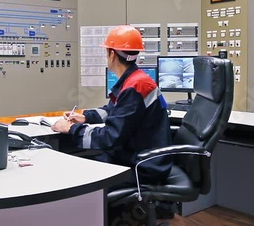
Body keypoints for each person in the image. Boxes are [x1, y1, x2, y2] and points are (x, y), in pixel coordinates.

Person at [52, 24, 172, 188]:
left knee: (73, 172)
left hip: (140, 166)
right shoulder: (136, 80)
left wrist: (70, 129)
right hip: (140, 157)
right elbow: (114, 111)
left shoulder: (134, 87)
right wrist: (86, 116)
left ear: (112, 53)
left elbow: (110, 138)